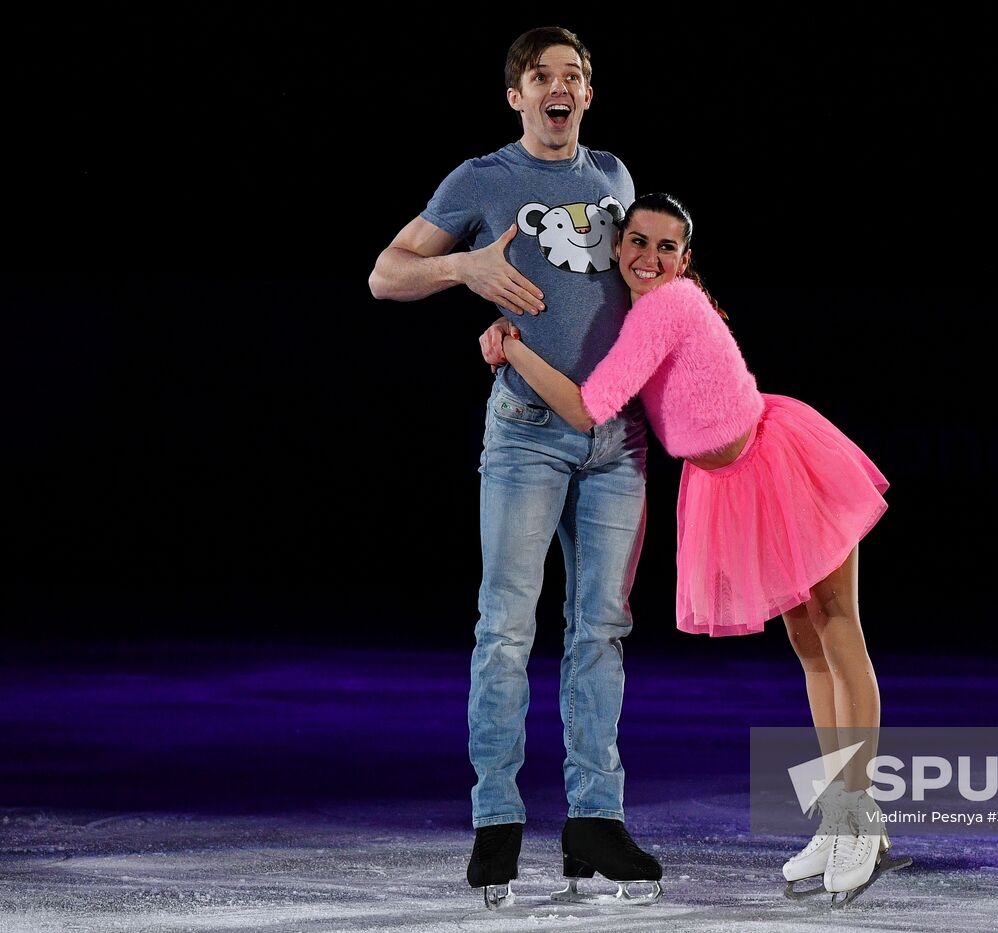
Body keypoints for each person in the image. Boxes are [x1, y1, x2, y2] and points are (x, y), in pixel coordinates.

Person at [483, 193, 906, 901]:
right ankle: (841, 820)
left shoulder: (669, 305)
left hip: (783, 464)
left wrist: (516, 349)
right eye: (638, 243)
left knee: (838, 631)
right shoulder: (637, 311)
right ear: (617, 248)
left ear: (685, 259)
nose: (650, 258)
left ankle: (863, 818)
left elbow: (590, 407)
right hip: (734, 486)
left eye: (667, 248)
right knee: (808, 645)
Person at [368, 27, 661, 909]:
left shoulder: (614, 178)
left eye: (573, 76)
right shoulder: (480, 179)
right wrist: (466, 269)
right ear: (516, 96)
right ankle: (497, 821)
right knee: (506, 629)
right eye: (543, 77)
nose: (559, 88)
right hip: (529, 432)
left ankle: (593, 822)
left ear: (588, 94)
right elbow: (386, 274)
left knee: (601, 630)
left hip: (617, 440)